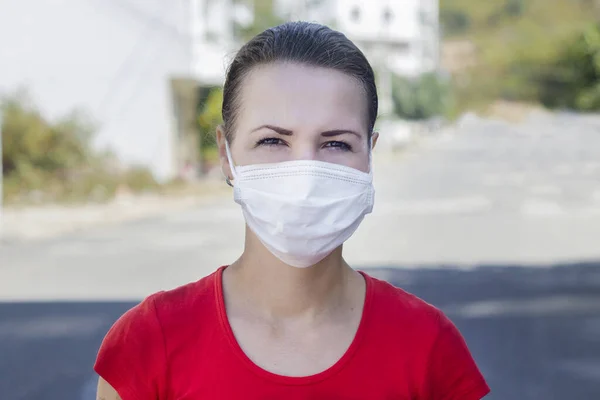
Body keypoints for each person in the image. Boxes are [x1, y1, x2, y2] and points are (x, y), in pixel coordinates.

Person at [95, 21, 490, 400]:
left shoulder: (428, 345)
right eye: (272, 140)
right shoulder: (150, 342)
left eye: (336, 144)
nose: (305, 172)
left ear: (370, 155)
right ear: (226, 155)